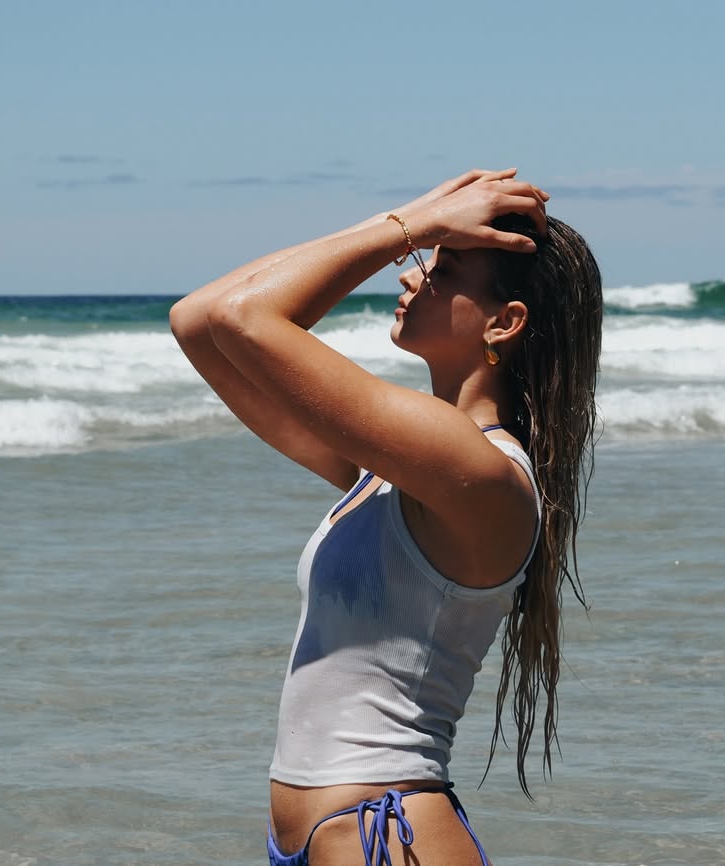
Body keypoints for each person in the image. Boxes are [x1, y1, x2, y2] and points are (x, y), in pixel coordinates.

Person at [169, 168, 603, 866]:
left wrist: (410, 225)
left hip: (386, 837)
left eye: (442, 267)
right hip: (326, 839)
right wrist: (414, 219)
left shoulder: (481, 474)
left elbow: (245, 317)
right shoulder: (396, 470)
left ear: (504, 322)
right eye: (426, 257)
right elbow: (200, 318)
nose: (410, 273)